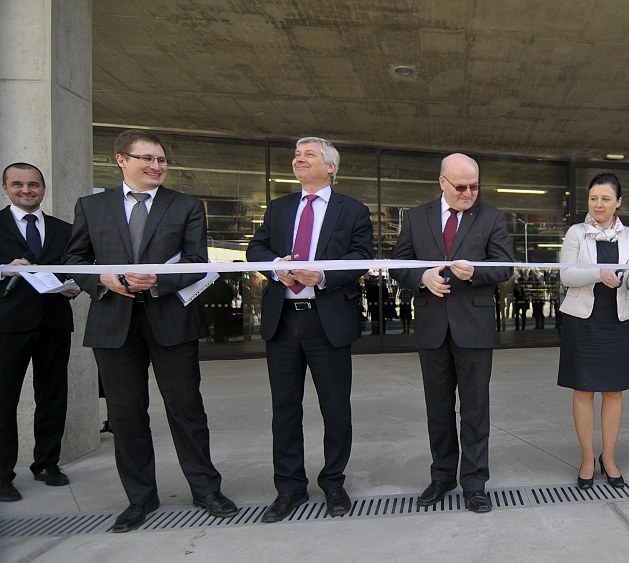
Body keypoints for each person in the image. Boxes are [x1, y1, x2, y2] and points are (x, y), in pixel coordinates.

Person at [63, 129, 237, 532]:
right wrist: (102, 280)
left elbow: (196, 260)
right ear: (121, 159)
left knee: (187, 409)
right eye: (147, 159)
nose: (156, 166)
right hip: (112, 322)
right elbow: (74, 258)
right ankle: (140, 499)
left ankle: (206, 489)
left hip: (172, 320)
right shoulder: (91, 206)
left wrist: (157, 281)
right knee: (126, 415)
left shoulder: (187, 205)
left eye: (161, 160)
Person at [247, 137, 374, 522]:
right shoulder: (280, 207)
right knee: (284, 409)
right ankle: (289, 488)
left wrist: (323, 275)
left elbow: (361, 258)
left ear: (330, 167)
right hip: (283, 321)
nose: (298, 159)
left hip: (327, 321)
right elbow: (256, 249)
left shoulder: (353, 210)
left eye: (309, 155)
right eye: (297, 155)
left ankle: (333, 483)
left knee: (335, 407)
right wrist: (275, 266)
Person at [390, 153, 513, 513]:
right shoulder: (415, 217)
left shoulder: (491, 217)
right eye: (461, 187)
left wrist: (475, 272)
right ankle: (442, 476)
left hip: (473, 327)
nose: (468, 193)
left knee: (475, 410)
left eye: (475, 186)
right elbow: (399, 263)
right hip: (431, 326)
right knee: (438, 409)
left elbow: (504, 265)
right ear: (442, 182)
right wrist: (421, 277)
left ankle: (474, 483)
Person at [557, 173, 629, 489]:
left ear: (618, 202)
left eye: (606, 199)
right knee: (583, 389)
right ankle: (586, 458)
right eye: (594, 198)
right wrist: (599, 273)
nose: (599, 204)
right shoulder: (576, 233)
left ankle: (608, 457)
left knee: (613, 390)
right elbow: (567, 276)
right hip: (582, 321)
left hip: (616, 321)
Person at [0, 163, 79, 502]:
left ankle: (47, 463)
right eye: (17, 184)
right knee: (4, 401)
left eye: (33, 184)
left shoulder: (65, 229)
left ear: (43, 188)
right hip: (8, 327)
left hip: (54, 323)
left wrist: (77, 286)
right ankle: (3, 474)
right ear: (6, 188)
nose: (26, 190)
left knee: (52, 397)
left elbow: (79, 266)